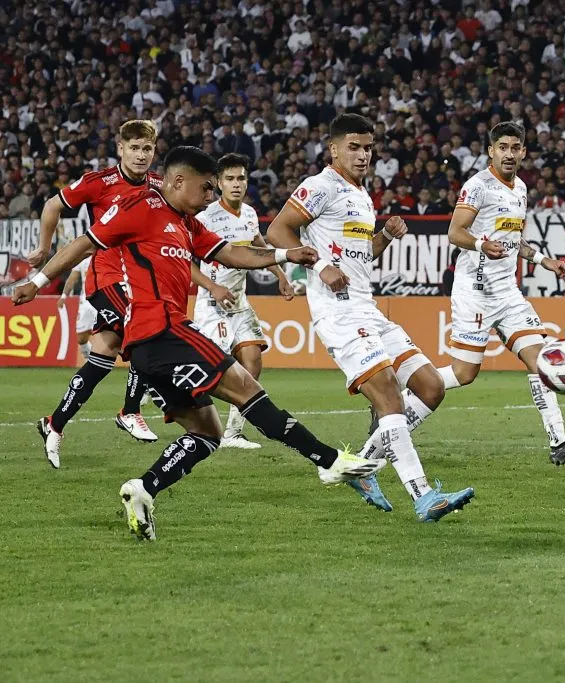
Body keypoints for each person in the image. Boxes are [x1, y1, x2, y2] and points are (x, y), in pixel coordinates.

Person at [13, 146, 384, 540]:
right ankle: (330, 462)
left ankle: (143, 489)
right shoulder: (138, 206)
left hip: (149, 346)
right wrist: (37, 284)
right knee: (249, 390)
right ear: (177, 181)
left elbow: (229, 254)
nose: (211, 196)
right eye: (206, 188)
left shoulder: (187, 223)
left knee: (207, 434)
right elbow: (83, 244)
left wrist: (285, 253)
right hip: (164, 329)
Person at [266, 113, 474, 521]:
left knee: (431, 387)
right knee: (388, 397)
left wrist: (386, 237)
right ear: (334, 149)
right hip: (338, 312)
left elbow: (361, 257)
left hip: (367, 307)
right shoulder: (320, 186)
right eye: (354, 147)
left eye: (368, 148)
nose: (363, 155)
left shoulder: (361, 195)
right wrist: (321, 265)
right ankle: (423, 494)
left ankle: (362, 466)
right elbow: (278, 231)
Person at [439, 121, 565, 465]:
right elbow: (455, 232)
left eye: (515, 147)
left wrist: (544, 260)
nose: (509, 154)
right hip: (475, 293)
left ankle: (560, 443)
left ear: (524, 152)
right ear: (491, 151)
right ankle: (398, 401)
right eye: (503, 147)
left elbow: (515, 241)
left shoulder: (521, 189)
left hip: (508, 294)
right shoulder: (478, 186)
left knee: (540, 360)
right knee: (463, 374)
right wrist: (483, 243)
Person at [30, 120, 163, 468]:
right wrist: (45, 248)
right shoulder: (98, 182)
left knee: (102, 356)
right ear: (120, 148)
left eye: (147, 149)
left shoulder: (160, 186)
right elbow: (51, 206)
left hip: (140, 281)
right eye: (134, 148)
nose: (140, 155)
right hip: (106, 275)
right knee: (146, 329)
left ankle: (54, 423)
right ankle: (131, 410)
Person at [191, 153, 295, 449]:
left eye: (241, 178)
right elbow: (186, 260)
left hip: (239, 303)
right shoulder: (204, 218)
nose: (237, 184)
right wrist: (212, 287)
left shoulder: (249, 214)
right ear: (219, 183)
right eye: (230, 179)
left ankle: (233, 433)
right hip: (213, 307)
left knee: (253, 361)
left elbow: (259, 245)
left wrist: (280, 274)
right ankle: (167, 396)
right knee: (210, 372)